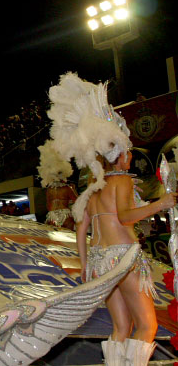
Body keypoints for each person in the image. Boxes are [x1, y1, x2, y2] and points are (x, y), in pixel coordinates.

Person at [49, 73, 177, 365]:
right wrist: (162, 203)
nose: (130, 157)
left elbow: (81, 232)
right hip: (123, 257)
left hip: (98, 262)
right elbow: (125, 216)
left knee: (121, 327)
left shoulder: (92, 191)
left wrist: (84, 267)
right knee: (147, 326)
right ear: (121, 156)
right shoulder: (121, 182)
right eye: (129, 152)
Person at [38, 140, 77, 229]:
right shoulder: (67, 188)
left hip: (52, 216)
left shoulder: (49, 190)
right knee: (68, 239)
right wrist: (73, 189)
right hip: (66, 216)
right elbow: (77, 201)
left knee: (55, 241)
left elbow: (48, 205)